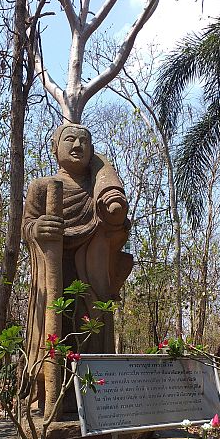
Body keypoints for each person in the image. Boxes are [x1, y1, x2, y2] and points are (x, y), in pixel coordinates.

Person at [22, 123, 133, 414]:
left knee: (90, 334)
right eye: (69, 139)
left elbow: (116, 230)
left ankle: (94, 406)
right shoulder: (42, 188)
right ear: (54, 148)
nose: (77, 145)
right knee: (52, 336)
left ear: (92, 151)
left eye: (84, 141)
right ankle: (50, 400)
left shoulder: (96, 193)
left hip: (90, 278)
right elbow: (28, 227)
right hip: (54, 274)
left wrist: (113, 214)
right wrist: (39, 229)